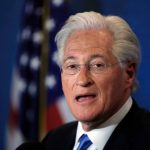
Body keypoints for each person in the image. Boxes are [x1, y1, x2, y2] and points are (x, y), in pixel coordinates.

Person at [17, 11, 150, 150]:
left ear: (128, 74)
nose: (82, 80)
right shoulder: (53, 141)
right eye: (72, 66)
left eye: (97, 65)